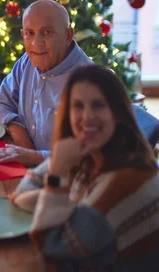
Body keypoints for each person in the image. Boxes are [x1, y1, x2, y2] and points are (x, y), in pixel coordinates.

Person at [23, 64, 158, 270]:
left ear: (117, 113)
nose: (87, 117)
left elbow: (49, 245)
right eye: (78, 106)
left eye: (98, 105)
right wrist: (57, 188)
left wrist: (57, 175)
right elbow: (23, 192)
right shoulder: (93, 155)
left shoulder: (125, 180)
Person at [0, 0, 92, 166]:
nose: (36, 43)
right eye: (30, 33)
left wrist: (35, 157)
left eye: (47, 32)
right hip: (25, 166)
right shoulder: (27, 61)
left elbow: (89, 155)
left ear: (68, 36)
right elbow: (0, 102)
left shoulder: (90, 84)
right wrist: (17, 127)